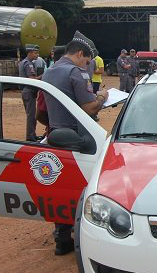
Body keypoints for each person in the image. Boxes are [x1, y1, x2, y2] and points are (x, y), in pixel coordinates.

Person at [42, 31, 109, 255]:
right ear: (80, 54)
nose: (88, 65)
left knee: (58, 187)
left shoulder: (49, 71)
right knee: (83, 185)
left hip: (54, 136)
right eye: (87, 61)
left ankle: (61, 238)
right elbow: (89, 108)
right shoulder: (76, 72)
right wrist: (103, 97)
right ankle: (87, 238)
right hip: (77, 139)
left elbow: (41, 110)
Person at [18, 44, 41, 141]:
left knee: (31, 114)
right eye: (35, 53)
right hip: (29, 90)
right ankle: (30, 136)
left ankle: (32, 134)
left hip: (26, 91)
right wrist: (43, 76)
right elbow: (32, 79)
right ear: (30, 53)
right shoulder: (29, 64)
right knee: (31, 115)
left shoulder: (23, 62)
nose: (37, 55)